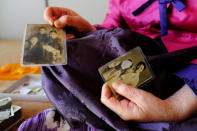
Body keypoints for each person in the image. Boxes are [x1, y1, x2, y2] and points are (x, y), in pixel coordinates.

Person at [43, 5, 197, 123]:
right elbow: (115, 29)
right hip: (133, 64)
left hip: (188, 81)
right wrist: (91, 34)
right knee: (62, 56)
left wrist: (176, 107)